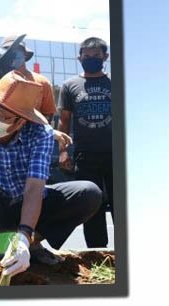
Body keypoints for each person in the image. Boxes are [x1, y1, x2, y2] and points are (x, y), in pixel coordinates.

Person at [0, 72, 102, 282]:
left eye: (2, 115)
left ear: (20, 122)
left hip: (27, 205)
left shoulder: (40, 134)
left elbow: (34, 188)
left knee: (88, 193)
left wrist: (24, 236)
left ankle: (31, 245)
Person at [58, 37, 112, 249]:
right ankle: (98, 252)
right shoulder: (70, 86)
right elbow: (64, 121)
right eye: (87, 56)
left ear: (105, 57)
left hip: (116, 155)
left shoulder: (115, 82)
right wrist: (63, 151)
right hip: (85, 156)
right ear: (79, 57)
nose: (91, 59)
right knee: (92, 205)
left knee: (122, 204)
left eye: (96, 56)